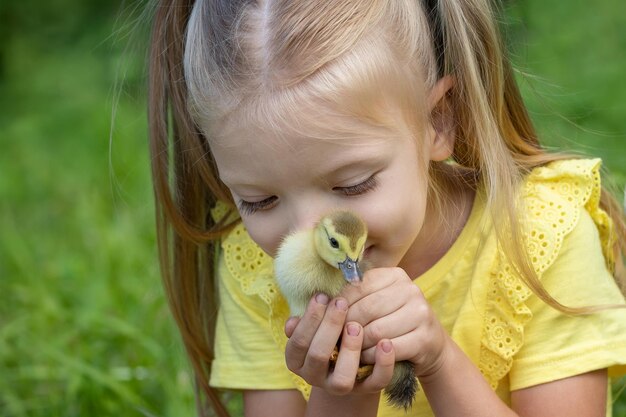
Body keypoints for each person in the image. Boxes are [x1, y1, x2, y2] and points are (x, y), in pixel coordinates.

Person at [147, 0, 626, 416]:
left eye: (353, 185)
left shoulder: (539, 235)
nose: (310, 233)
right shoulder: (265, 266)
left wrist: (439, 361)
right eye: (260, 200)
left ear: (438, 120)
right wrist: (344, 388)